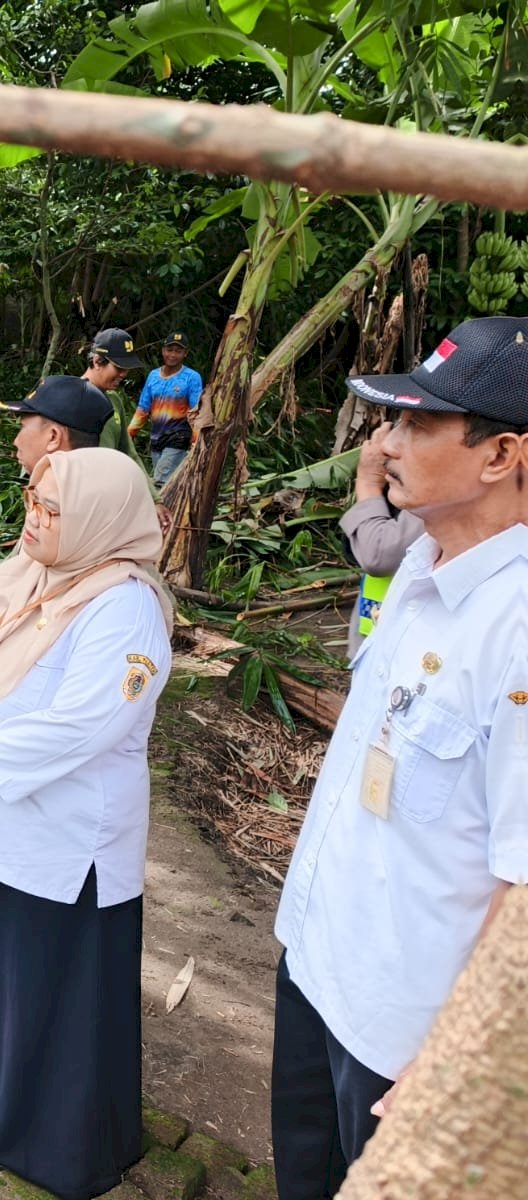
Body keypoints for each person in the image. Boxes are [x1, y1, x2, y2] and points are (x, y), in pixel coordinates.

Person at [270, 315, 528, 1200]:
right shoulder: (421, 569)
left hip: (406, 1029)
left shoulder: (517, 630)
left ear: (502, 456)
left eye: (417, 424)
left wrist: (463, 1058)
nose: (385, 444)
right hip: (319, 960)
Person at [0, 448, 173, 1200]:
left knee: (63, 993)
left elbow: (86, 722)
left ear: (98, 519)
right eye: (32, 499)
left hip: (67, 839)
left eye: (53, 510)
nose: (33, 518)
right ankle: (8, 1092)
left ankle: (65, 1148)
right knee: (8, 973)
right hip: (0, 818)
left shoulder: (124, 605)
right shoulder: (27, 575)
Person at [339, 422, 425, 657]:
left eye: (418, 426)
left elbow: (378, 554)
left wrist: (367, 483)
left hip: (406, 650)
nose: (388, 445)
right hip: (384, 641)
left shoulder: (447, 489)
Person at [127, 332, 203, 488]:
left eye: (178, 351)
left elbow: (196, 412)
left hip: (178, 437)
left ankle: (155, 504)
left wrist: (196, 442)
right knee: (167, 482)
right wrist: (128, 435)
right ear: (163, 350)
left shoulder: (191, 377)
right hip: (157, 437)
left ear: (185, 353)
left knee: (159, 482)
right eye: (169, 350)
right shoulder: (153, 376)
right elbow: (143, 409)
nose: (172, 355)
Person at [0, 375, 113, 475]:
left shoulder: (52, 492)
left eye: (23, 427)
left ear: (53, 437)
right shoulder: (108, 484)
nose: (16, 442)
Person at [80, 327, 145, 454]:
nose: (124, 374)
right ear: (97, 362)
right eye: (119, 368)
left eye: (127, 369)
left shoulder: (114, 399)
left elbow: (128, 450)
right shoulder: (71, 396)